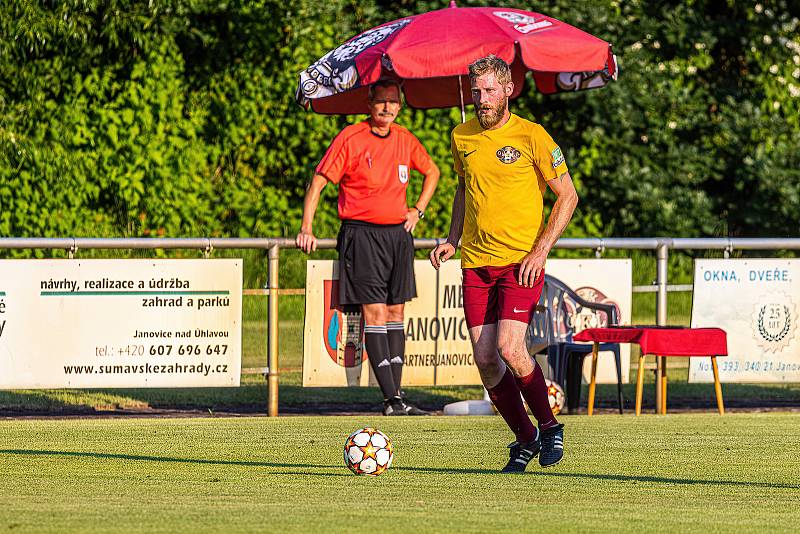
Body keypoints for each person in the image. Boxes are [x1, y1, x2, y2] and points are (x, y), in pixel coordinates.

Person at [430, 55, 578, 471]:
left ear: (508, 89)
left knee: (510, 348)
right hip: (475, 264)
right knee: (485, 359)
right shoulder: (462, 135)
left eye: (489, 90)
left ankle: (550, 428)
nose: (481, 99)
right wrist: (452, 239)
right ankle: (525, 437)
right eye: (475, 91)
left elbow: (568, 196)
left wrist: (541, 249)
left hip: (520, 263)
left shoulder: (532, 135)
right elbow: (463, 188)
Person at [297, 78, 440, 416]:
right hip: (362, 234)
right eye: (382, 102)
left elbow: (432, 172)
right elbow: (318, 182)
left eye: (394, 102)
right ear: (369, 104)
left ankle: (398, 397)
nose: (388, 108)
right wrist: (307, 227)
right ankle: (391, 400)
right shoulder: (351, 137)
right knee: (373, 312)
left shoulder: (405, 139)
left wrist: (417, 210)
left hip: (398, 236)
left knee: (396, 313)